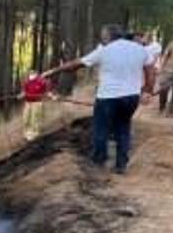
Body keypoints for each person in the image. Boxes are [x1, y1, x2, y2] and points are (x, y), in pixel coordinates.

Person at [47, 23, 156, 174]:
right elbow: (151, 70)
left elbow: (76, 65)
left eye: (103, 35)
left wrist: (53, 71)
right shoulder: (140, 49)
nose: (102, 38)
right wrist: (148, 90)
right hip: (131, 97)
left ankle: (98, 162)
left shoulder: (104, 50)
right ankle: (121, 165)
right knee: (123, 128)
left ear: (108, 36)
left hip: (107, 97)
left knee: (101, 129)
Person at [20, 70, 51, 141]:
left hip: (37, 103)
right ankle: (26, 133)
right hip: (28, 102)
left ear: (36, 74)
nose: (31, 74)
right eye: (30, 73)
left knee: (34, 118)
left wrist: (51, 95)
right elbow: (24, 91)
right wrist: (22, 95)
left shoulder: (41, 82)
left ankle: (34, 133)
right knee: (25, 118)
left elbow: (47, 91)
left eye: (33, 73)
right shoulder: (27, 82)